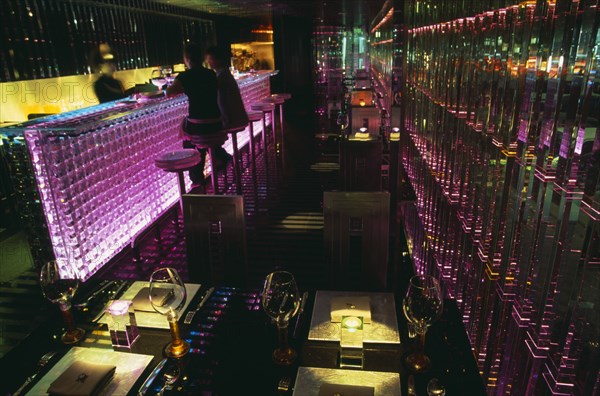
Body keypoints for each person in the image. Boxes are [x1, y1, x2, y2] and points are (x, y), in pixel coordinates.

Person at [167, 43, 229, 186]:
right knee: (198, 137)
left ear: (187, 58)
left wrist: (182, 88)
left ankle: (196, 179)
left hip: (200, 126)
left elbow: (169, 92)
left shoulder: (185, 76)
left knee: (188, 139)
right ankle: (219, 156)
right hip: (216, 123)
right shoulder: (210, 73)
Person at [204, 46, 249, 130]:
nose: (208, 62)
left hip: (233, 121)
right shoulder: (225, 73)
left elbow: (221, 101)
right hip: (240, 119)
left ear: (218, 60)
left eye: (210, 59)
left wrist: (225, 120)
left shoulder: (221, 77)